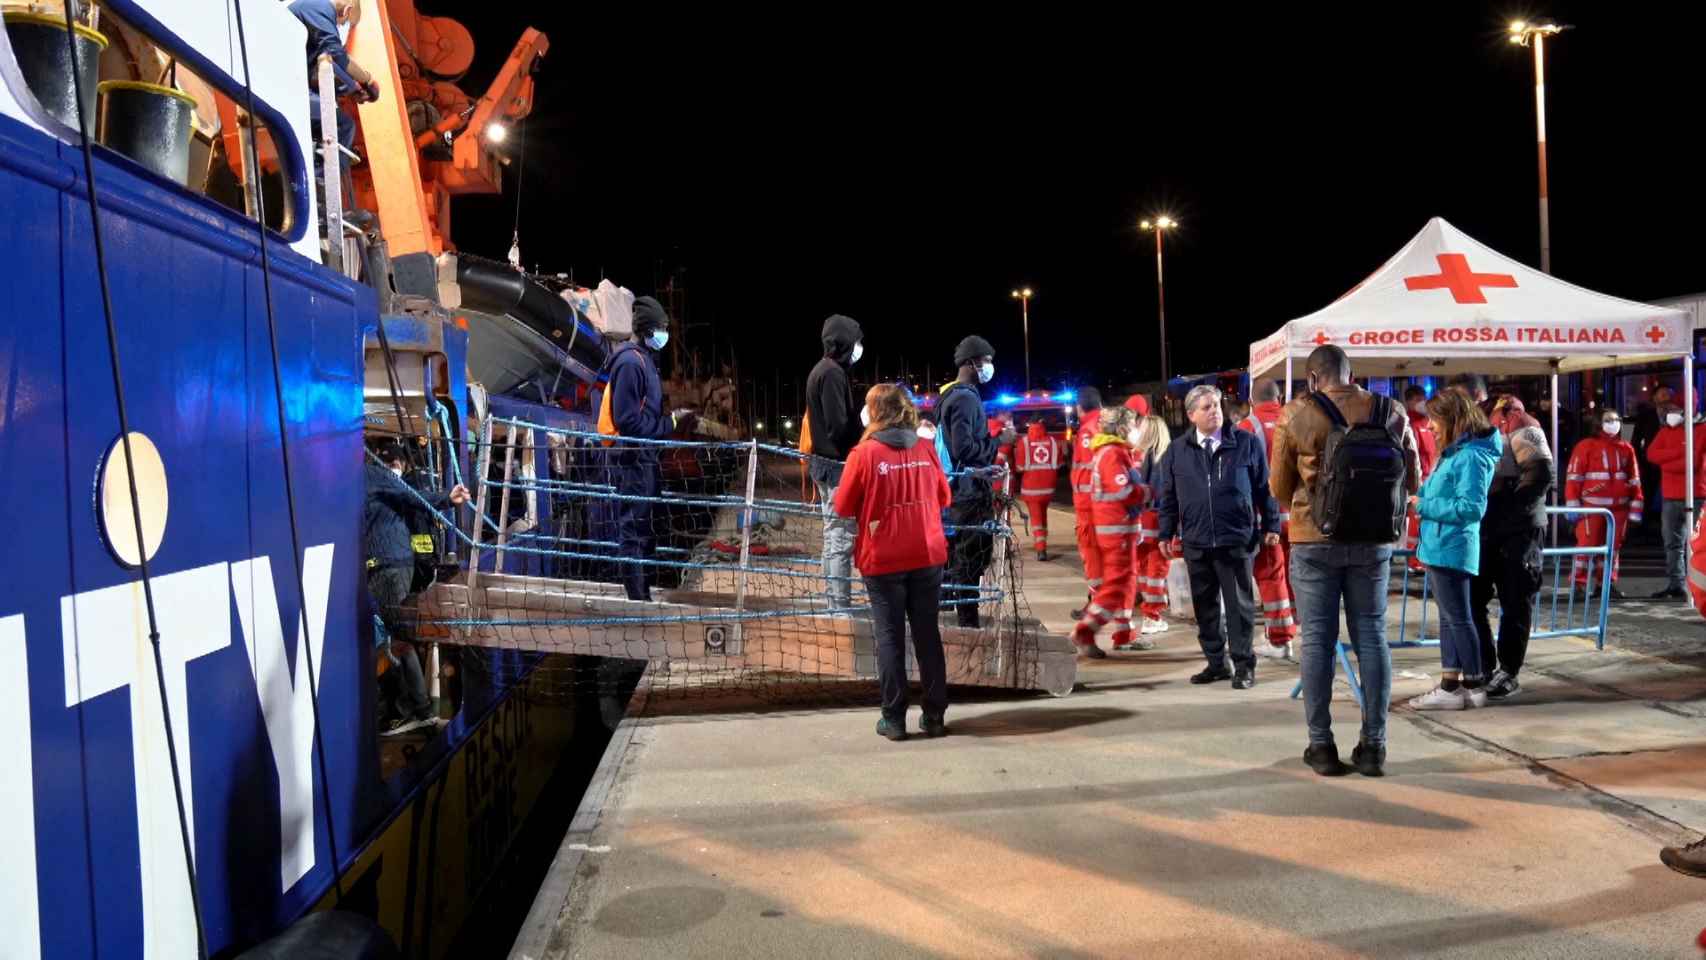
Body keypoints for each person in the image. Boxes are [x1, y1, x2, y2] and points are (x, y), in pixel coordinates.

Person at [1271, 345, 1420, 777]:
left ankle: (1321, 747)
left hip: (1314, 540)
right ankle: (1374, 746)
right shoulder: (1391, 411)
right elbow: (1411, 477)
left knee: (1317, 639)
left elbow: (1280, 487)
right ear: (1352, 374)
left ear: (1314, 379)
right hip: (1374, 541)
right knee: (1372, 637)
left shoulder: (1296, 414)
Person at [834, 384, 954, 740]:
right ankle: (934, 715)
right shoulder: (926, 448)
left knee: (889, 637)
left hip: (883, 557)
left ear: (875, 413)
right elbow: (944, 496)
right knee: (927, 634)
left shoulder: (864, 454)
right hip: (928, 552)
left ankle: (894, 717)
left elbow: (842, 507)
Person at [1156, 384, 1279, 690]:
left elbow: (1265, 488)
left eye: (1216, 405)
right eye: (1207, 407)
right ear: (1191, 415)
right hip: (1197, 542)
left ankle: (1243, 666)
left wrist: (1272, 525)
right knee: (1206, 608)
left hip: (1235, 539)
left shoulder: (1246, 443)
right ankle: (1216, 663)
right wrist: (1166, 531)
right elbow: (1169, 497)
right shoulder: (1177, 451)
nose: (1214, 412)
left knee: (1239, 608)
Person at [365, 440, 469, 736]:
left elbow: (412, 496)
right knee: (395, 635)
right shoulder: (377, 480)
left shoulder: (369, 476)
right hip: (393, 564)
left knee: (394, 638)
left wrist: (447, 499)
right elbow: (411, 497)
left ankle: (413, 710)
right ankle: (414, 708)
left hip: (386, 566)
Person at [1408, 390, 1501, 711]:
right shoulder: (1456, 453)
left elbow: (1471, 508)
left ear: (1452, 420)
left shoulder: (1470, 457)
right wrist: (1420, 495)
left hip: (1451, 546)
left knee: (1458, 618)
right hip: (1440, 545)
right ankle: (1452, 684)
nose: (1430, 426)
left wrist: (1425, 505)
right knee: (1451, 619)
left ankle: (1472, 683)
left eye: (1435, 419)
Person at [595, 297, 684, 601]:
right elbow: (628, 420)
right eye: (660, 329)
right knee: (633, 529)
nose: (664, 334)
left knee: (644, 526)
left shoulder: (643, 359)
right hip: (632, 459)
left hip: (643, 458)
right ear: (647, 329)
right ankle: (637, 598)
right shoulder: (632, 363)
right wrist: (669, 424)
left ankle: (643, 589)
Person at [1475, 396, 1555, 701]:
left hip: (1518, 529)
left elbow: (1540, 475)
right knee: (1474, 597)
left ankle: (1508, 670)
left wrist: (1504, 512)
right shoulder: (1481, 423)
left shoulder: (1521, 422)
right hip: (1491, 526)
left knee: (1515, 599)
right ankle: (1484, 666)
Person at [937, 336, 1013, 628]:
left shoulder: (950, 395)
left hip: (958, 490)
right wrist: (997, 443)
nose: (989, 367)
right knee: (969, 560)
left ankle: (956, 619)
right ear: (971, 363)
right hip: (967, 495)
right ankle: (968, 625)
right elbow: (964, 450)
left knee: (958, 558)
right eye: (986, 361)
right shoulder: (965, 399)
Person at [1071, 406, 1152, 656]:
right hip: (1116, 532)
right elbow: (1124, 491)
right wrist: (1146, 492)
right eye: (1132, 425)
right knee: (1116, 585)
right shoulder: (1112, 454)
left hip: (1119, 530)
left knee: (1125, 582)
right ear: (1121, 428)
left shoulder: (1112, 452)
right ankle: (1084, 631)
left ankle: (1122, 633)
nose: (1136, 430)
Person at [805, 314, 866, 610]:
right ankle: (839, 606)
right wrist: (863, 423)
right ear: (843, 343)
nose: (859, 347)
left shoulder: (824, 369)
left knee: (832, 535)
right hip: (836, 468)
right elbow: (838, 427)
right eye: (856, 341)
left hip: (823, 464)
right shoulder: (832, 374)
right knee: (841, 538)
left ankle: (833, 599)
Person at [1236, 379, 1297, 660]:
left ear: (1250, 401)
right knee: (1296, 577)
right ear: (1280, 397)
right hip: (1300, 519)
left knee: (1272, 578)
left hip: (1265, 520)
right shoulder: (1298, 421)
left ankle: (1281, 640)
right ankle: (1296, 627)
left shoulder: (1247, 429)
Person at [288, 0, 379, 183]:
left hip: (294, 81)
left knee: (333, 120)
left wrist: (351, 89)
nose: (341, 25)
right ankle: (321, 183)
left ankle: (313, 173)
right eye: (344, 22)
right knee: (344, 126)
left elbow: (327, 63)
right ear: (347, 11)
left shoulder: (313, 8)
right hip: (290, 86)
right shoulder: (319, 8)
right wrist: (367, 79)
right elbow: (337, 56)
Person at [1564, 408, 1644, 601]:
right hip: (1591, 508)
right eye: (1609, 419)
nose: (1614, 422)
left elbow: (1635, 481)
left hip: (1619, 509)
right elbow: (1574, 478)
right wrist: (1573, 506)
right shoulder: (1585, 446)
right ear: (1598, 422)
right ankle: (1579, 586)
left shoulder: (1627, 448)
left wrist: (1636, 508)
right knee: (1586, 547)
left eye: (1616, 419)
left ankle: (1606, 585)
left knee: (1612, 548)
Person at [1644, 398, 1706, 600]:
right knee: (1672, 544)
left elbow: (1695, 463)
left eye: (1674, 409)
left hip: (1696, 495)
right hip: (1670, 496)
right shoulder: (1666, 431)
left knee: (1699, 545)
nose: (1669, 412)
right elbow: (1652, 454)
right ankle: (1676, 584)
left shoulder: (1702, 429)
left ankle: (1699, 587)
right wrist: (1681, 452)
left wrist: (1667, 461)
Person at [1130, 414, 1172, 635]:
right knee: (1157, 570)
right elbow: (1166, 495)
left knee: (1143, 569)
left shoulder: (1139, 455)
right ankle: (1152, 616)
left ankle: (1142, 612)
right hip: (1157, 521)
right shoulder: (1165, 457)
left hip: (1140, 522)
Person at [1069, 387, 1105, 619]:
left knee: (1092, 556)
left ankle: (1097, 605)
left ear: (1080, 408)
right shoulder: (1108, 425)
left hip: (1090, 507)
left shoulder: (1087, 432)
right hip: (1108, 506)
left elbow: (1085, 474)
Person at [1401, 384, 1441, 573]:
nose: (1422, 403)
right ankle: (1413, 560)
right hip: (1420, 480)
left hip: (1433, 477)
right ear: (1409, 401)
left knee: (1427, 521)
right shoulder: (1408, 423)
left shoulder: (1430, 421)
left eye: (1423, 398)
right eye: (1417, 399)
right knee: (1416, 521)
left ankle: (1423, 558)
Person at [1015, 418, 1063, 561]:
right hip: (1048, 488)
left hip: (1031, 488)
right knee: (1043, 515)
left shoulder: (1023, 442)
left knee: (1036, 519)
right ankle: (1043, 541)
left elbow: (1020, 467)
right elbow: (1059, 464)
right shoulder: (1053, 442)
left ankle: (1041, 548)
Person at [1635, 386, 1674, 538]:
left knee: (1669, 498)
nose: (1666, 398)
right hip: (1648, 464)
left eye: (1669, 395)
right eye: (1663, 394)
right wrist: (1638, 461)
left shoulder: (1678, 414)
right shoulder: (1646, 416)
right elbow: (1636, 439)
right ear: (1655, 398)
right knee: (1647, 495)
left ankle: (1666, 530)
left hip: (1670, 464)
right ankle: (1642, 531)